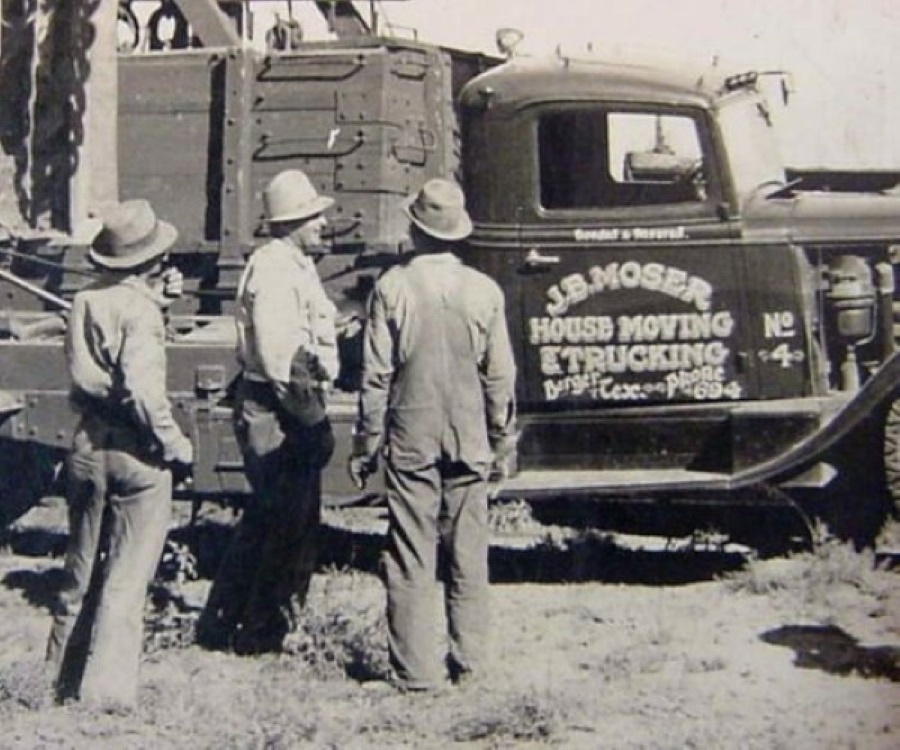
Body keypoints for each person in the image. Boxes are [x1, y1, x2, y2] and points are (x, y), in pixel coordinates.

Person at [349, 178, 517, 691]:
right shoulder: (485, 290)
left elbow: (375, 376)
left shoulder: (393, 288)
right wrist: (501, 438)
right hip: (468, 437)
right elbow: (500, 376)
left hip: (410, 438)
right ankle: (472, 665)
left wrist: (365, 442)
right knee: (469, 551)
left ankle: (417, 672)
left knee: (410, 551)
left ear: (415, 230)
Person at [46, 199, 193, 708]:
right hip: (136, 452)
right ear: (154, 261)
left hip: (88, 443)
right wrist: (176, 444)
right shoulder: (143, 312)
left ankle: (57, 679)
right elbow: (142, 393)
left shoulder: (86, 300)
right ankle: (106, 695)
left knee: (80, 568)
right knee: (127, 579)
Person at [197, 169, 338, 655]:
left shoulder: (294, 263)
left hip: (283, 404)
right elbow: (282, 362)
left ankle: (226, 625)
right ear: (293, 222)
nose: (323, 222)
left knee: (271, 519)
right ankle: (259, 635)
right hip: (280, 409)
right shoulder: (276, 270)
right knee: (283, 524)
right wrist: (313, 422)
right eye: (314, 216)